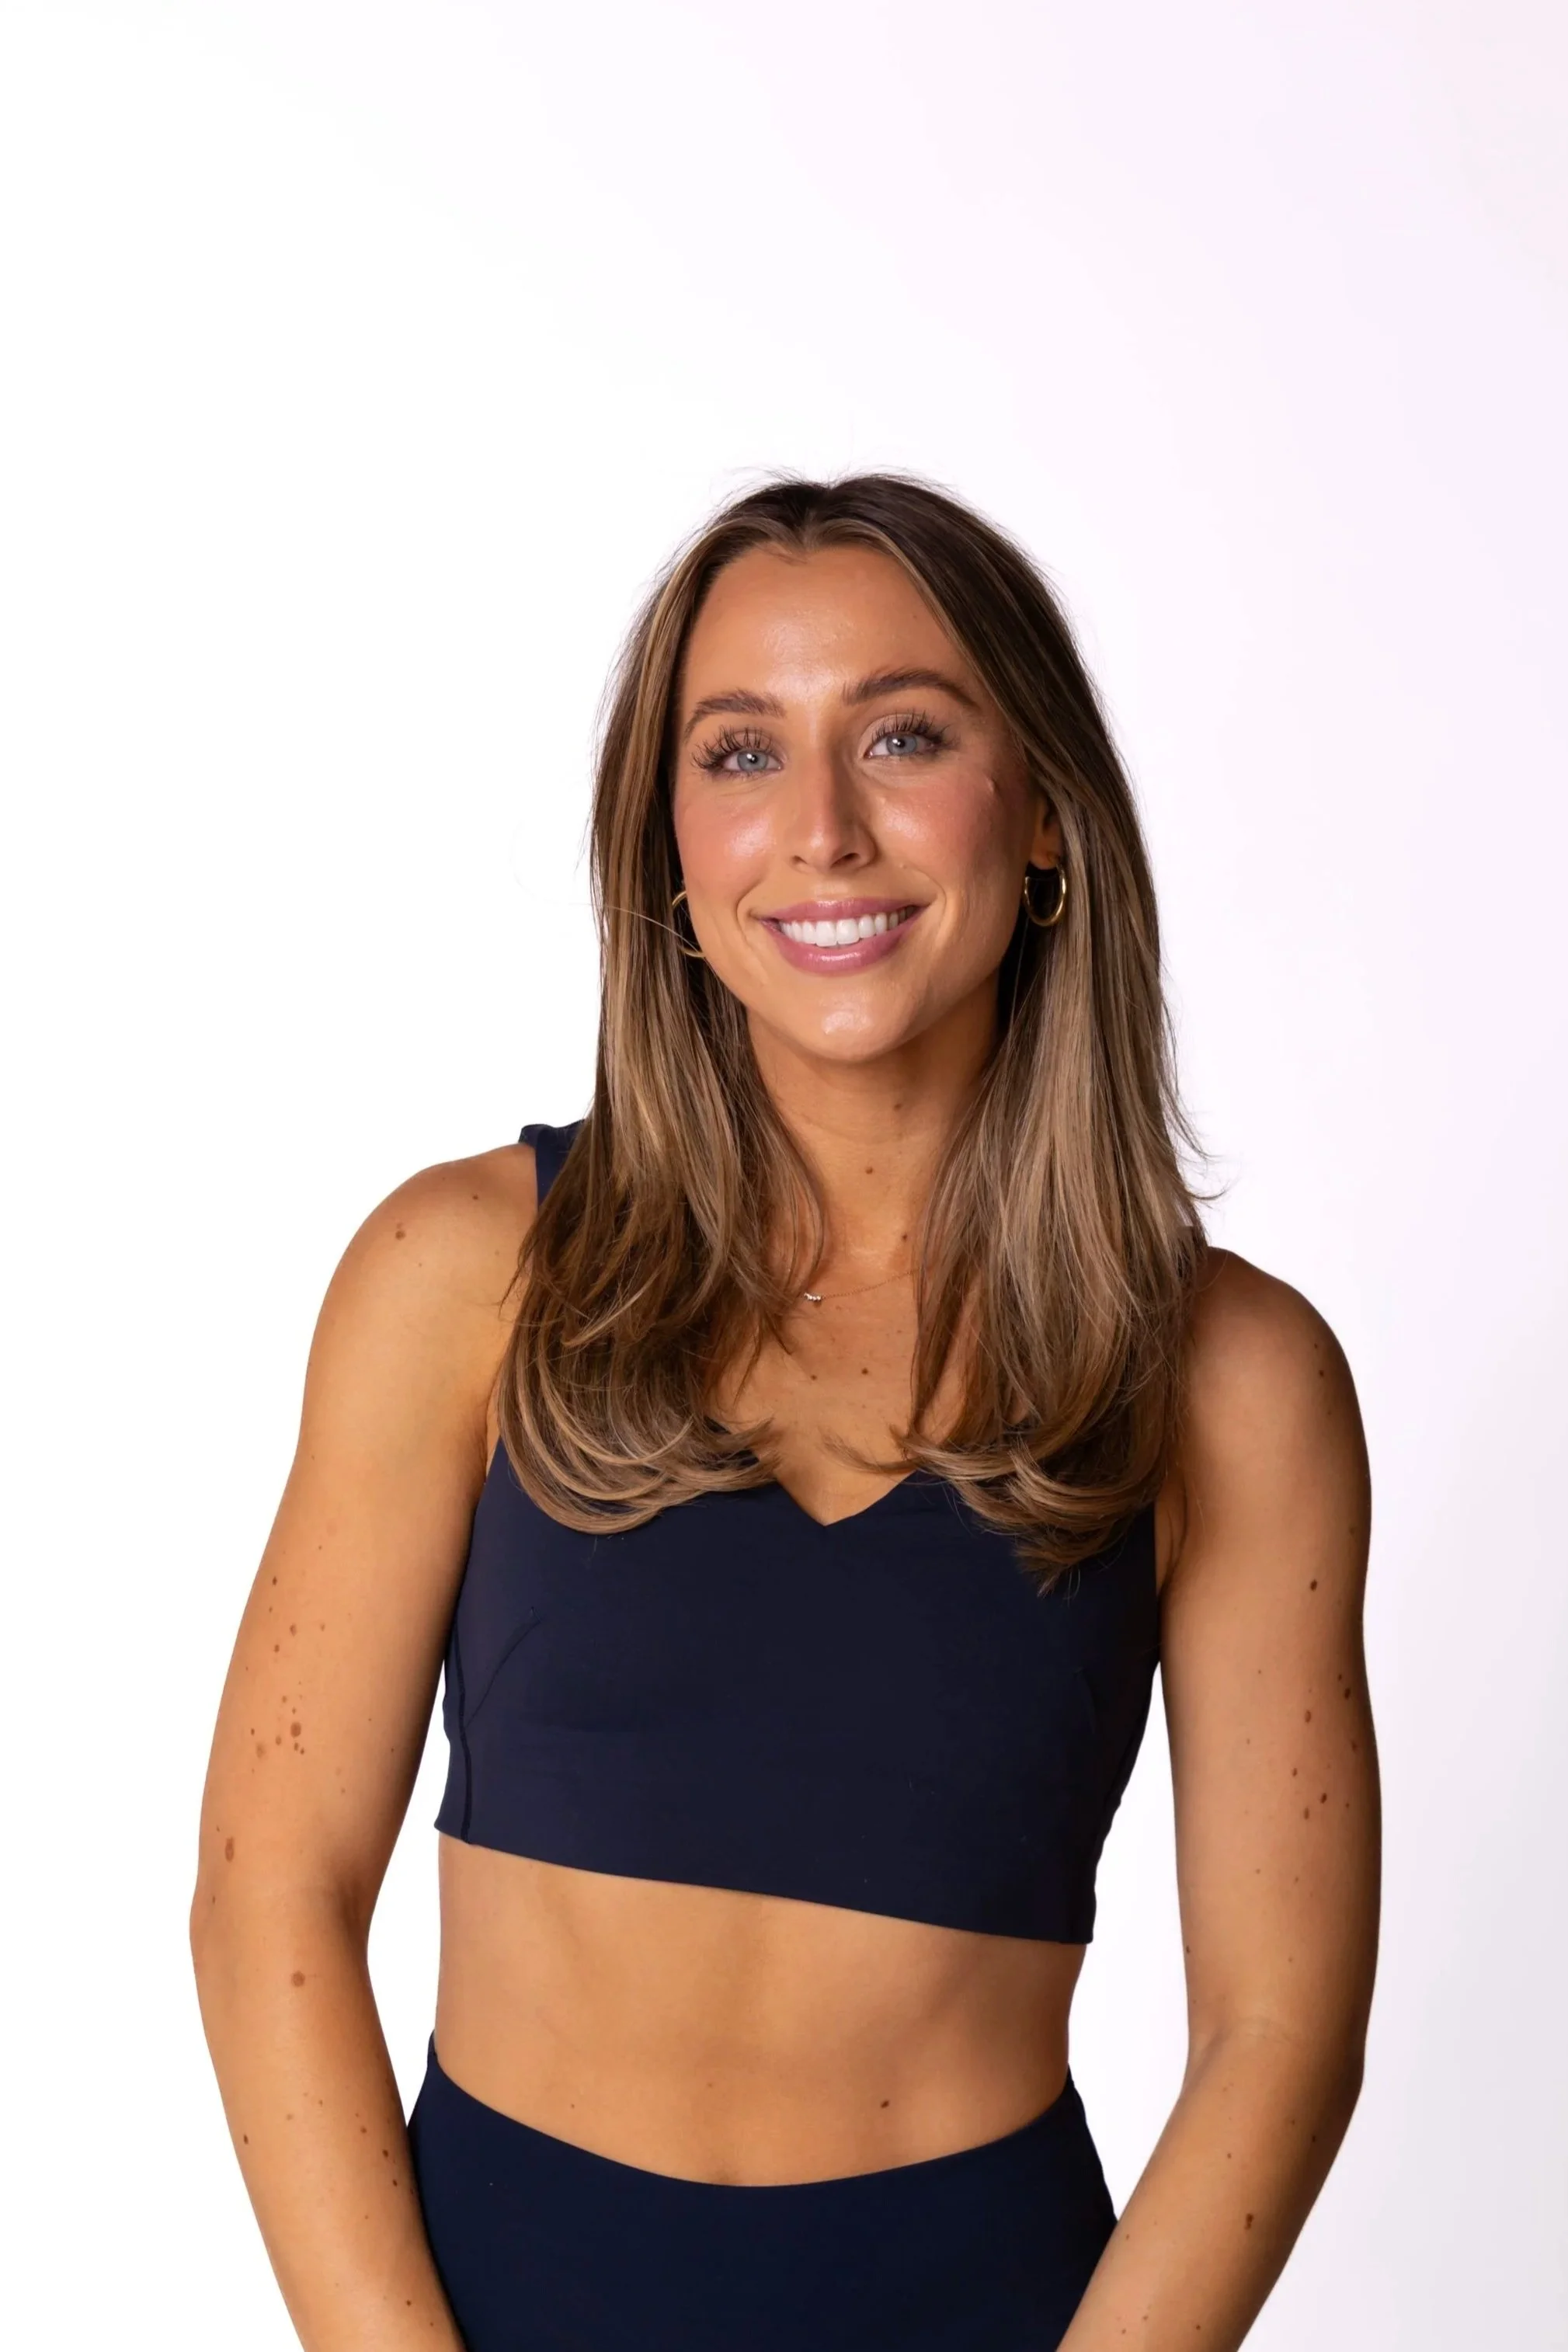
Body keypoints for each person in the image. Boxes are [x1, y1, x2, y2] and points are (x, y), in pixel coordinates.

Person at [191, 474, 1379, 2351]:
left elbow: (1277, 2029)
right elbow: (270, 1894)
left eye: (903, 734)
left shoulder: (1234, 1376)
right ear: (667, 848)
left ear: (1046, 809)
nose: (820, 830)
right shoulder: (463, 1273)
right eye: (741, 751)